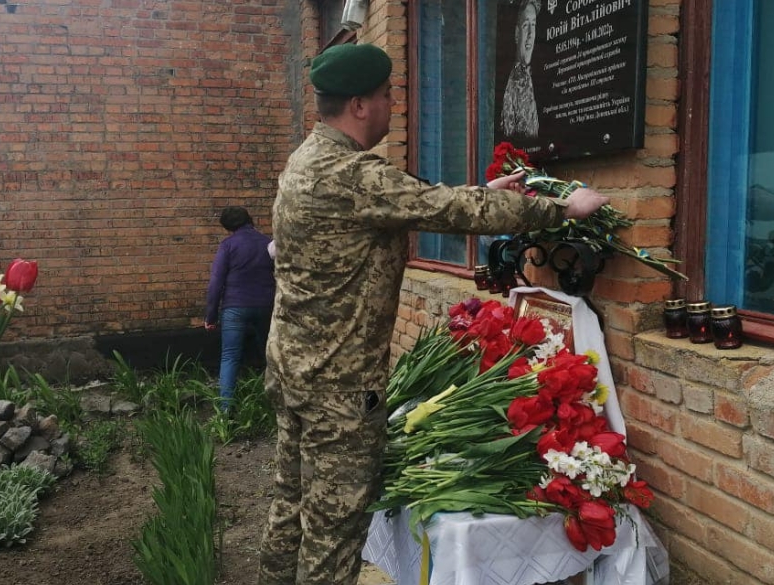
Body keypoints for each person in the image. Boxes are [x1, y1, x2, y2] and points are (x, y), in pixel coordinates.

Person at [257, 43, 610, 585]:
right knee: (333, 530)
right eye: (386, 95)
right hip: (337, 387)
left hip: (294, 370)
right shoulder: (350, 174)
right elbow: (439, 208)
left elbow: (407, 199)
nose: (393, 104)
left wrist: (479, 192)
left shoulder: (307, 161)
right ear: (358, 105)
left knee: (291, 505)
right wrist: (560, 207)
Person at [203, 206, 276, 413]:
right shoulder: (267, 243)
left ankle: (226, 411)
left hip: (234, 307)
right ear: (249, 219)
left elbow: (216, 282)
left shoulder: (228, 245)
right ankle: (273, 404)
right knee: (270, 354)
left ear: (227, 227)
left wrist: (211, 316)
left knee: (230, 357)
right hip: (265, 305)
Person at [500, 0, 541, 139]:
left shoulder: (536, 76)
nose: (530, 34)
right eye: (525, 26)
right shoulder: (510, 84)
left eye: (533, 25)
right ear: (517, 33)